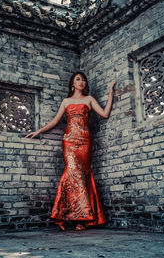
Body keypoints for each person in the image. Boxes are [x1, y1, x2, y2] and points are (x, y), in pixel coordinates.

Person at [25, 71, 116, 231]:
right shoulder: (66, 101)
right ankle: (66, 214)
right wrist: (39, 131)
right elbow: (55, 121)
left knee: (81, 176)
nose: (81, 82)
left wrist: (110, 93)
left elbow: (105, 114)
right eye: (78, 79)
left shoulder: (89, 99)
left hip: (85, 142)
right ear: (73, 84)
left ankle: (81, 219)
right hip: (69, 141)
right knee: (71, 174)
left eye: (83, 80)